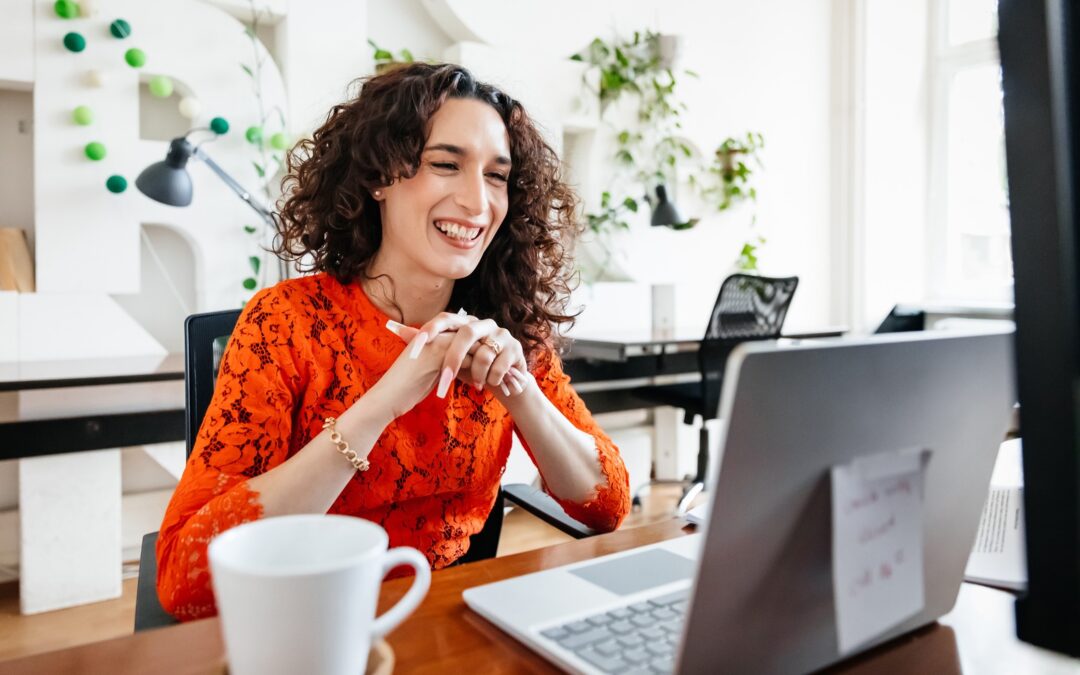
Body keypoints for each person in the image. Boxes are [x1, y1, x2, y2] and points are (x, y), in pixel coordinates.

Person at [155, 62, 631, 620]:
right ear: (379, 176)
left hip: (452, 622)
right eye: (446, 164)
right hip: (310, 623)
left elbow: (608, 506)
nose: (478, 202)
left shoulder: (508, 326)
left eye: (497, 176)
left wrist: (518, 388)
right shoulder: (285, 324)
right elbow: (183, 580)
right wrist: (385, 402)